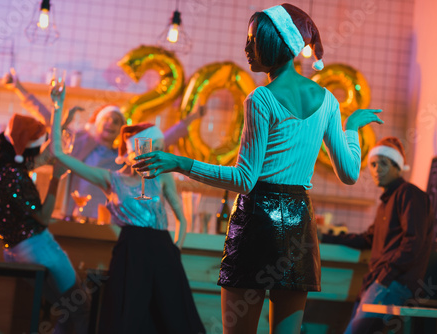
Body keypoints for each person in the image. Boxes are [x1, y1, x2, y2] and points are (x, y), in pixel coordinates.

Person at [133, 3, 383, 333]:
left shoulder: (261, 99)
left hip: (257, 220)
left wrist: (179, 163)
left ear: (276, 42)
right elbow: (350, 173)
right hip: (298, 223)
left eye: (253, 40)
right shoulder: (328, 101)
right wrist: (351, 128)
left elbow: (244, 179)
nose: (246, 49)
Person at [49, 84, 205, 334]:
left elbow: (181, 217)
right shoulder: (112, 180)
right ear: (129, 152)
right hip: (130, 251)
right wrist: (58, 109)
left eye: (154, 150)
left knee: (174, 318)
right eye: (144, 149)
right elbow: (58, 153)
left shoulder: (161, 178)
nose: (149, 155)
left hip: (163, 250)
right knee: (127, 316)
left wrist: (177, 247)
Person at [2, 68, 206, 219]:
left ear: (120, 129)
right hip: (75, 214)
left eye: (117, 122)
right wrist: (19, 88)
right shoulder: (79, 142)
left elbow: (163, 138)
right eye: (107, 119)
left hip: (110, 219)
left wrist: (192, 117)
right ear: (97, 123)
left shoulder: (125, 155)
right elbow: (48, 117)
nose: (111, 124)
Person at [0, 114, 89, 333]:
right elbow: (42, 216)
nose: (40, 154)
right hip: (38, 249)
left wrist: (60, 121)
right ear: (28, 150)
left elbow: (39, 157)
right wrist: (56, 178)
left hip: (14, 251)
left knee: (65, 308)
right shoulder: (15, 175)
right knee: (79, 307)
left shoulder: (0, 170)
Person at [320, 137, 433, 334]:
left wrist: (385, 277)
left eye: (384, 163)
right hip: (378, 281)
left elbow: (414, 241)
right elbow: (368, 239)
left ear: (397, 167)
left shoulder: (408, 193)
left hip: (393, 282)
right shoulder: (385, 202)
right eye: (373, 164)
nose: (376, 169)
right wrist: (325, 237)